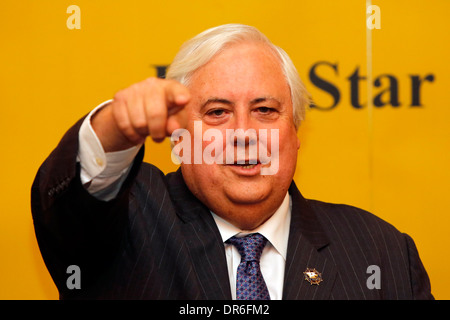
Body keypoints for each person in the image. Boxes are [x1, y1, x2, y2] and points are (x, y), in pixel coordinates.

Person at [31, 24, 433, 300]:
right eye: (218, 112)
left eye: (265, 110)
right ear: (179, 135)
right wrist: (115, 125)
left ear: (296, 135)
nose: (244, 132)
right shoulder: (131, 219)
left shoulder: (382, 252)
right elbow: (73, 207)